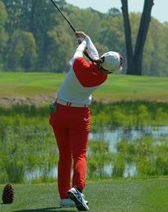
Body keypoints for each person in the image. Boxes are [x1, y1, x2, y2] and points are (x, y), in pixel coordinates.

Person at [49, 31, 123, 211]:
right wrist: (88, 38)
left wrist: (82, 43)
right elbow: (96, 58)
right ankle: (78, 189)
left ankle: (64, 198)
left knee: (64, 156)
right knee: (79, 155)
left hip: (58, 112)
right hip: (79, 115)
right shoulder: (103, 77)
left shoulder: (78, 64)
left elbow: (81, 54)